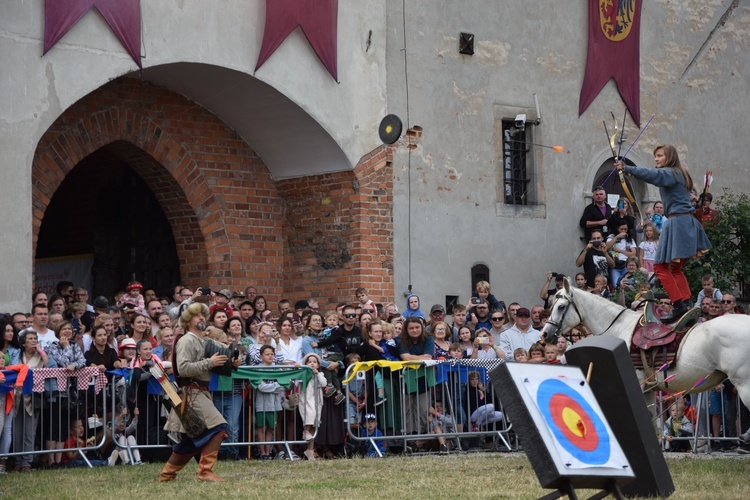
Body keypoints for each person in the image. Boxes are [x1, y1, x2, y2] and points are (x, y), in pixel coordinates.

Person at [616, 145, 711, 322]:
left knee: (660, 267)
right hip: (686, 222)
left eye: (660, 156)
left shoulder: (670, 172)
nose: (656, 159)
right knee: (675, 268)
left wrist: (627, 168)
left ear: (669, 157)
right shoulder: (678, 173)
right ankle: (686, 302)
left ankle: (679, 305)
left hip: (678, 223)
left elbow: (653, 175)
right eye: (656, 156)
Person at [159, 302, 241, 482]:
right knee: (219, 428)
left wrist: (232, 363)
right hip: (192, 393)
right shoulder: (187, 340)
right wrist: (210, 363)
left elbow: (221, 358)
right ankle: (205, 472)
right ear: (188, 320)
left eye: (203, 315)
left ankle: (166, 474)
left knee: (192, 438)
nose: (202, 318)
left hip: (200, 393)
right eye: (197, 315)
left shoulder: (203, 340)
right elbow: (183, 369)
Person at [299, 352, 327, 460]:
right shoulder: (303, 373)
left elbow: (324, 383)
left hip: (316, 400)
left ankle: (310, 450)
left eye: (314, 362)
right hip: (306, 398)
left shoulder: (320, 374)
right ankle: (305, 431)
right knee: (309, 416)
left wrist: (317, 374)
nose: (312, 364)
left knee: (314, 423)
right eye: (309, 362)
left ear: (318, 365)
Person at [605, 222, 637, 288]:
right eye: (621, 229)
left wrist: (619, 250)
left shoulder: (630, 240)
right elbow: (606, 247)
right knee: (616, 284)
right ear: (617, 229)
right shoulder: (611, 238)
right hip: (615, 265)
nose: (623, 231)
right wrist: (617, 237)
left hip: (625, 265)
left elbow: (633, 254)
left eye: (625, 229)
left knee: (627, 284)